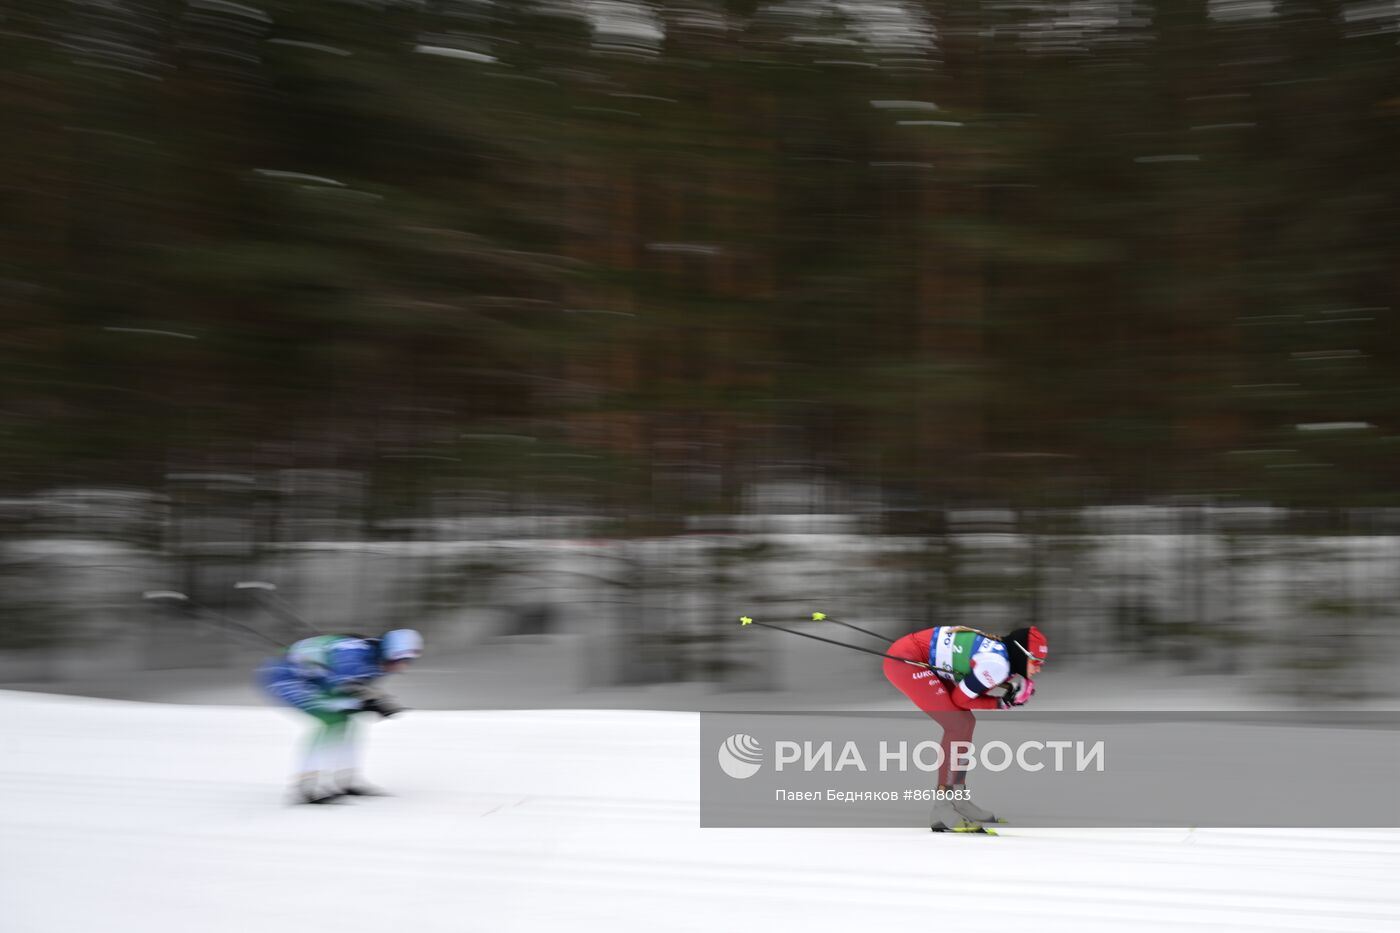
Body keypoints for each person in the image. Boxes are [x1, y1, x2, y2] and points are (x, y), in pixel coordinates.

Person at [883, 624, 1047, 832]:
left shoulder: (1004, 657)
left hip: (916, 651)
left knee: (966, 723)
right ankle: (942, 808)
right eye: (1036, 661)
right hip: (906, 660)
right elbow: (961, 700)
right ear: (1022, 655)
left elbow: (973, 683)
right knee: (957, 723)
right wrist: (1003, 703)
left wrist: (1006, 693)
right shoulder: (998, 664)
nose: (1039, 668)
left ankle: (958, 801)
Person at [257, 628, 424, 804]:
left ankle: (345, 781)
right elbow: (341, 689)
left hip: (313, 678)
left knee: (348, 719)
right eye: (398, 660)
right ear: (387, 651)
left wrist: (375, 701)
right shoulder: (353, 652)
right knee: (331, 719)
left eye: (407, 661)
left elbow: (354, 690)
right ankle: (306, 787)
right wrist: (372, 702)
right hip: (286, 676)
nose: (400, 667)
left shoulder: (377, 660)